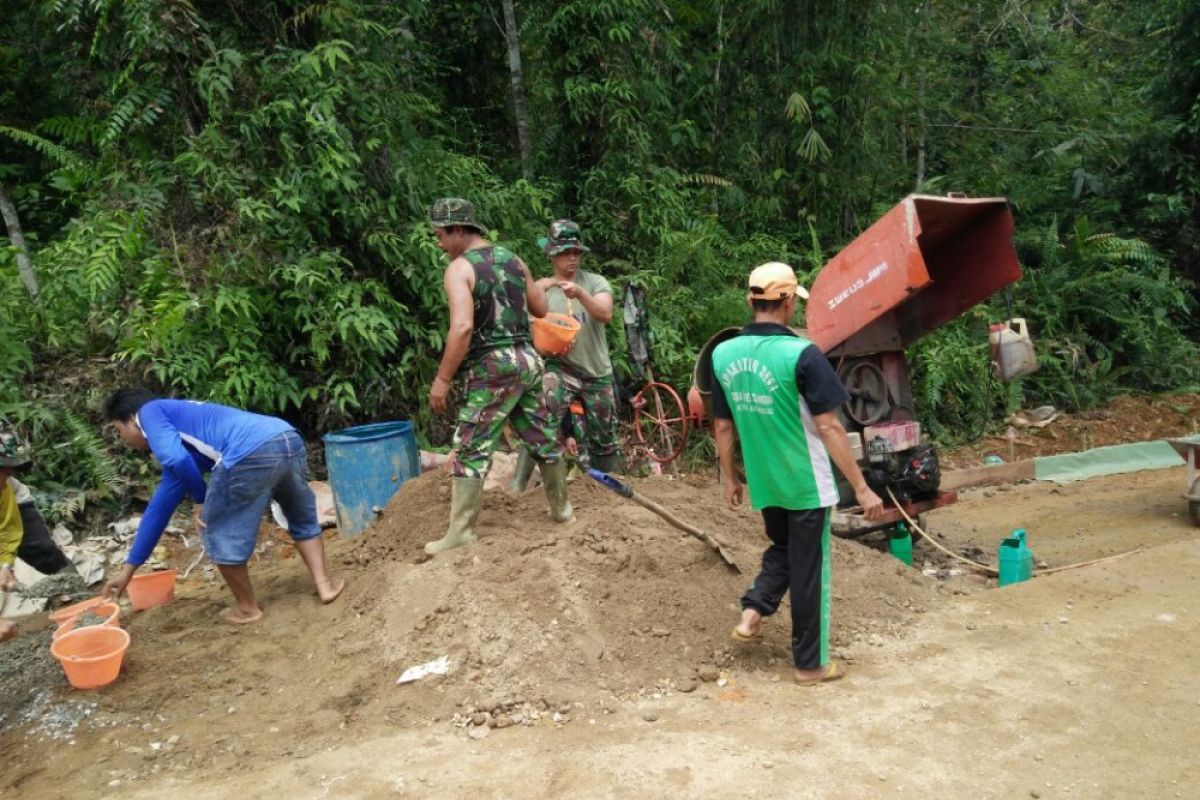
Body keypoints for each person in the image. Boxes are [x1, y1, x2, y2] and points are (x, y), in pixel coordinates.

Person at [710, 262, 884, 686]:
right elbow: (828, 427)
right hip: (806, 484)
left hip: (766, 482)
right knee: (809, 570)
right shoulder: (801, 354)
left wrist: (730, 478)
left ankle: (752, 614)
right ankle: (810, 664)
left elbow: (722, 425)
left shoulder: (722, 353)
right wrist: (861, 488)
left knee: (785, 551)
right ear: (787, 302)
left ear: (752, 301)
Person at [101, 390, 344, 623]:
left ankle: (247, 609)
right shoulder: (190, 435)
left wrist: (200, 499)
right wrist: (128, 571)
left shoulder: (149, 411)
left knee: (214, 528)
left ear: (132, 419)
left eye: (118, 430)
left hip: (249, 450)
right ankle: (325, 587)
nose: (122, 439)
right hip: (286, 437)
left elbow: (175, 458)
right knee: (300, 516)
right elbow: (159, 510)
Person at [426, 197, 573, 555]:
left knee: (473, 443)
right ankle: (562, 511)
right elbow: (540, 307)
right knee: (541, 434)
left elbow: (462, 327)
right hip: (528, 359)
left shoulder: (460, 269)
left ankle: (460, 531)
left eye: (441, 235)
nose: (439, 243)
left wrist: (442, 380)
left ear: (458, 230)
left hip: (494, 365)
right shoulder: (513, 259)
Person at [510, 219, 621, 492]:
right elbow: (525, 328)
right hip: (561, 367)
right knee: (539, 419)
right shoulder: (542, 290)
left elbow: (605, 313)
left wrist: (580, 293)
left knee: (605, 437)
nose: (571, 258)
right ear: (552, 255)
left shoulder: (595, 283)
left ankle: (615, 489)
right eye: (564, 253)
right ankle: (517, 486)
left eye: (576, 252)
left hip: (596, 371)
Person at [1, 425, 75, 594]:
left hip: (13, 505)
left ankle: (75, 590)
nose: (9, 473)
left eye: (9, 468)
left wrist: (5, 566)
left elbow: (7, 529)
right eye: (3, 468)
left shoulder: (4, 486)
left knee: (41, 549)